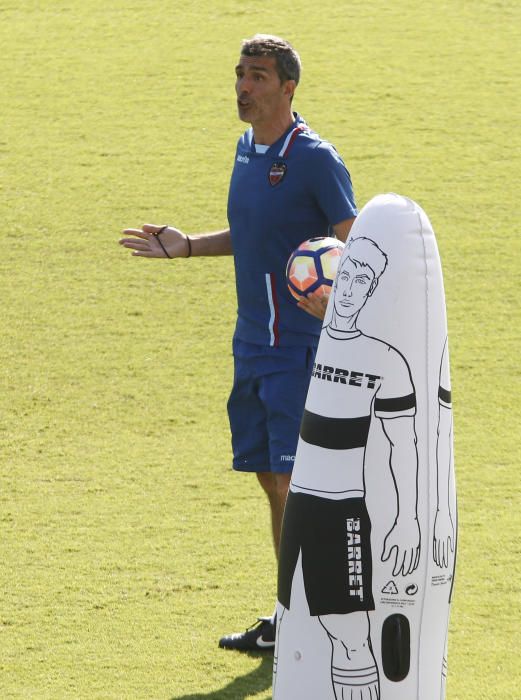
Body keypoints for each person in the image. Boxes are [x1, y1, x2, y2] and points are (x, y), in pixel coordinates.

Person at [119, 34, 357, 652]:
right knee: (270, 480)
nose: (243, 87)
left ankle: (310, 617)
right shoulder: (247, 149)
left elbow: (358, 245)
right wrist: (190, 244)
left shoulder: (315, 158)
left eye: (257, 76)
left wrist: (339, 301)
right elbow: (254, 231)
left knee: (292, 481)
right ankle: (294, 613)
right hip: (251, 343)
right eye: (239, 75)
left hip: (296, 347)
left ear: (287, 87)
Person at [276, 237, 420, 698]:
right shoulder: (313, 346)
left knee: (351, 638)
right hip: (300, 503)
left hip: (340, 512)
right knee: (294, 624)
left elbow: (404, 444)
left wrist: (409, 521)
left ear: (373, 287)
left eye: (363, 280)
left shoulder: (387, 359)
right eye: (348, 274)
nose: (351, 288)